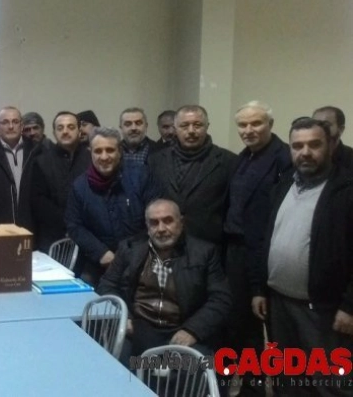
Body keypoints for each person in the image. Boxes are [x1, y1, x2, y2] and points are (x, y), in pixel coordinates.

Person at [250, 118, 353, 396]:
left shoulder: (346, 190)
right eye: (297, 146)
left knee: (329, 384)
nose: (305, 152)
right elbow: (268, 239)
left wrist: (350, 306)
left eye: (314, 144)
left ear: (331, 145)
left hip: (324, 309)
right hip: (279, 304)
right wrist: (260, 289)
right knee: (287, 379)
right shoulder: (283, 185)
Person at [97, 199, 232, 359]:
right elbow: (107, 285)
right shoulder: (129, 249)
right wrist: (124, 316)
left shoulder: (204, 253)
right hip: (137, 329)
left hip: (181, 330)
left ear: (181, 222)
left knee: (195, 368)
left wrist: (192, 330)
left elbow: (221, 299)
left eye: (168, 221)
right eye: (154, 223)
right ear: (147, 227)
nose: (161, 229)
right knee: (113, 363)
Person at [222, 101, 292, 396]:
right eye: (243, 125)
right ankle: (247, 384)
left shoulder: (284, 158)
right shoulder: (243, 158)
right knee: (241, 323)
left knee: (264, 328)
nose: (249, 130)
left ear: (270, 125)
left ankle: (257, 388)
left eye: (256, 123)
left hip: (263, 252)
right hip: (236, 251)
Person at [65, 127, 162, 284]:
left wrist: (132, 254)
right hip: (99, 263)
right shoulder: (80, 186)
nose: (104, 157)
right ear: (90, 152)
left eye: (110, 150)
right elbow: (74, 225)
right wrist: (101, 253)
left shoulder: (141, 176)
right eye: (98, 151)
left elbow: (155, 217)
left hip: (140, 260)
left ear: (120, 151)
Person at [148, 105, 237, 245]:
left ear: (207, 126)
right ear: (175, 128)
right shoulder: (156, 160)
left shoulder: (228, 161)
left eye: (197, 125)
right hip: (166, 243)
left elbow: (232, 208)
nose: (191, 131)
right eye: (184, 126)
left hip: (210, 244)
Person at [30, 111, 90, 252]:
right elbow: (38, 200)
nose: (65, 131)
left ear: (79, 131)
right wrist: (67, 223)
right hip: (52, 236)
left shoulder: (91, 159)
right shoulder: (41, 161)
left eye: (71, 127)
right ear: (54, 133)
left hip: (87, 234)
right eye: (60, 128)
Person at [312, 105, 353, 170]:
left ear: (340, 129)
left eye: (326, 125)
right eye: (316, 125)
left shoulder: (350, 158)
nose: (320, 129)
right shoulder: (305, 155)